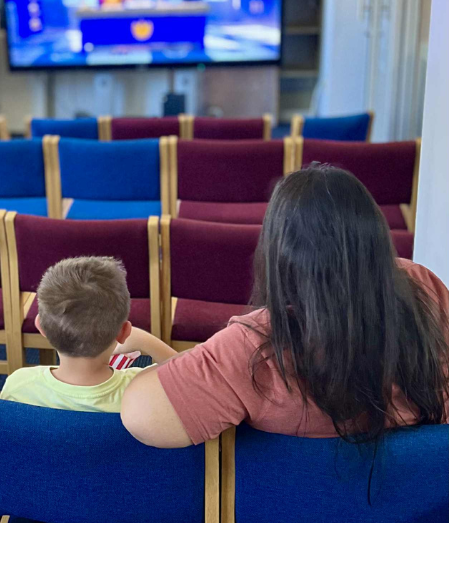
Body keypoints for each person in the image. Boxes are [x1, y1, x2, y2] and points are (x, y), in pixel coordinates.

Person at [121, 164, 449, 447]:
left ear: (278, 253)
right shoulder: (422, 286)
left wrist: (148, 343)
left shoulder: (256, 346)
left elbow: (140, 415)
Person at [0, 255, 176, 412]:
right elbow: (195, 380)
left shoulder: (19, 386)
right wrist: (144, 340)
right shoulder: (146, 390)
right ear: (124, 333)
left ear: (41, 327)